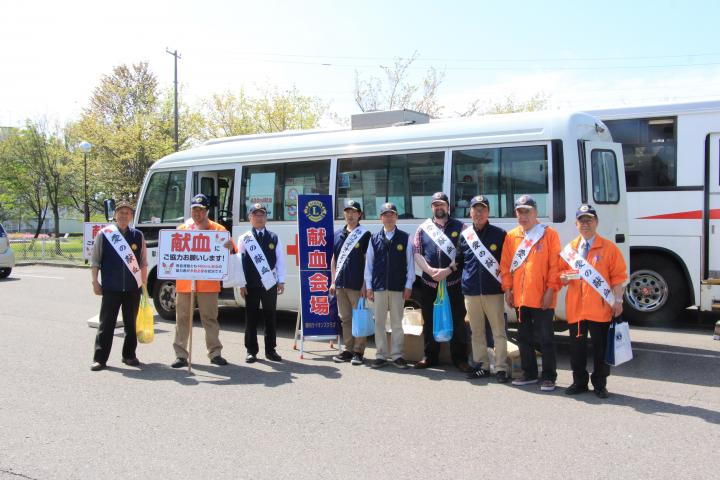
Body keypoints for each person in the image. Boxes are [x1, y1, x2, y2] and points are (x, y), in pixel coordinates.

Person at [560, 204, 628, 399]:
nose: (586, 224)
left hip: (600, 309)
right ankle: (579, 382)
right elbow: (560, 272)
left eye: (589, 220)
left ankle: (600, 383)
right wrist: (564, 276)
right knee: (577, 350)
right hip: (576, 309)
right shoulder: (570, 249)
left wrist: (618, 300)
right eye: (582, 220)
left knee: (600, 350)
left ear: (596, 222)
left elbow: (618, 278)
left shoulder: (609, 248)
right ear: (576, 224)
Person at [500, 194, 561, 391]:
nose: (523, 216)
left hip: (543, 297)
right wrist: (507, 289)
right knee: (524, 337)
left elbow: (555, 266)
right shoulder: (512, 236)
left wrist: (551, 290)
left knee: (546, 338)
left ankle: (549, 376)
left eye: (527, 212)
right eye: (520, 212)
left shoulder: (549, 234)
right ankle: (529, 373)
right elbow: (505, 266)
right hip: (520, 298)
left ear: (535, 213)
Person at [171, 194, 235, 368]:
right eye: (194, 210)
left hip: (208, 283)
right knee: (182, 319)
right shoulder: (182, 229)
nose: (197, 213)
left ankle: (215, 353)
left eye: (200, 210)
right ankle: (180, 355)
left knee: (210, 318)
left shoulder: (219, 230)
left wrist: (231, 247)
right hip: (185, 282)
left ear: (207, 211)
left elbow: (232, 252)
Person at [413, 192, 471, 372]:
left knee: (458, 320)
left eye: (442, 204)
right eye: (435, 205)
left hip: (453, 281)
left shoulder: (461, 227)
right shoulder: (423, 229)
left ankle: (460, 358)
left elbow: (463, 255)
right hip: (430, 283)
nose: (439, 207)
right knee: (429, 320)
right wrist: (430, 271)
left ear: (448, 207)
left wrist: (447, 271)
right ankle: (430, 356)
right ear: (432, 207)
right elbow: (417, 252)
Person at [90, 200, 148, 371]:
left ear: (131, 216)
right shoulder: (105, 234)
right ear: (115, 215)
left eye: (127, 213)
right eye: (121, 213)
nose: (124, 216)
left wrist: (143, 284)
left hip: (132, 288)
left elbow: (143, 262)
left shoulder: (138, 235)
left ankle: (129, 355)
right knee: (106, 324)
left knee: (131, 323)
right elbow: (95, 261)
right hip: (111, 287)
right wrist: (95, 281)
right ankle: (100, 359)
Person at [457, 195, 509, 382]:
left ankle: (501, 367)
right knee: (476, 331)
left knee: (498, 331)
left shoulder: (500, 234)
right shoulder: (465, 236)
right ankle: (482, 365)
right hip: (471, 291)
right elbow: (460, 262)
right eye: (475, 209)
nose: (478, 213)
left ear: (488, 212)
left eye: (482, 209)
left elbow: (506, 264)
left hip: (493, 291)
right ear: (470, 212)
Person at [364, 202, 415, 369]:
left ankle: (397, 355)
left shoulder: (405, 238)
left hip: (397, 287)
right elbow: (369, 265)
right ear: (380, 218)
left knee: (397, 323)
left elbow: (410, 264)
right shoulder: (374, 238)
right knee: (378, 322)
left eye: (392, 214)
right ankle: (380, 355)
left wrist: (408, 285)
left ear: (396, 217)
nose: (389, 217)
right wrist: (369, 286)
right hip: (378, 287)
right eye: (385, 214)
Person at [238, 203, 286, 363]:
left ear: (266, 217)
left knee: (270, 317)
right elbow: (240, 263)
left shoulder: (274, 237)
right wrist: (241, 284)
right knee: (250, 318)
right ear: (250, 218)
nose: (259, 218)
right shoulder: (244, 239)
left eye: (262, 214)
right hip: (250, 284)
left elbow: (280, 261)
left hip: (270, 283)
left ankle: (271, 350)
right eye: (255, 214)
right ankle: (251, 351)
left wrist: (281, 281)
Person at [331, 200, 371, 365]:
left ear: (359, 214)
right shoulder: (338, 234)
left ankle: (359, 351)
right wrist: (333, 281)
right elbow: (334, 259)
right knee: (345, 318)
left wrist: (364, 284)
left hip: (356, 284)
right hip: (340, 284)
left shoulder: (365, 234)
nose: (350, 215)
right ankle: (348, 349)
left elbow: (368, 261)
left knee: (359, 317)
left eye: (353, 212)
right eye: (347, 211)